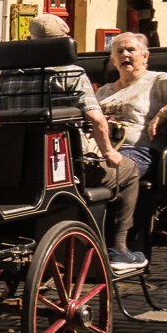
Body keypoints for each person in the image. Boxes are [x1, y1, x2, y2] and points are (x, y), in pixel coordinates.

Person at [20, 14, 140, 273]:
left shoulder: (10, 73)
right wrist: (109, 152)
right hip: (61, 169)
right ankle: (119, 247)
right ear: (63, 42)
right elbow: (96, 119)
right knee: (129, 171)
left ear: (30, 41)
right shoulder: (70, 72)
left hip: (19, 168)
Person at [96, 31, 167, 269]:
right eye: (119, 51)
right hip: (101, 149)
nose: (125, 55)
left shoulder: (158, 81)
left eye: (131, 50)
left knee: (114, 170)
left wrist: (164, 112)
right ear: (113, 61)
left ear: (145, 57)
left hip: (140, 150)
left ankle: (119, 245)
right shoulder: (104, 91)